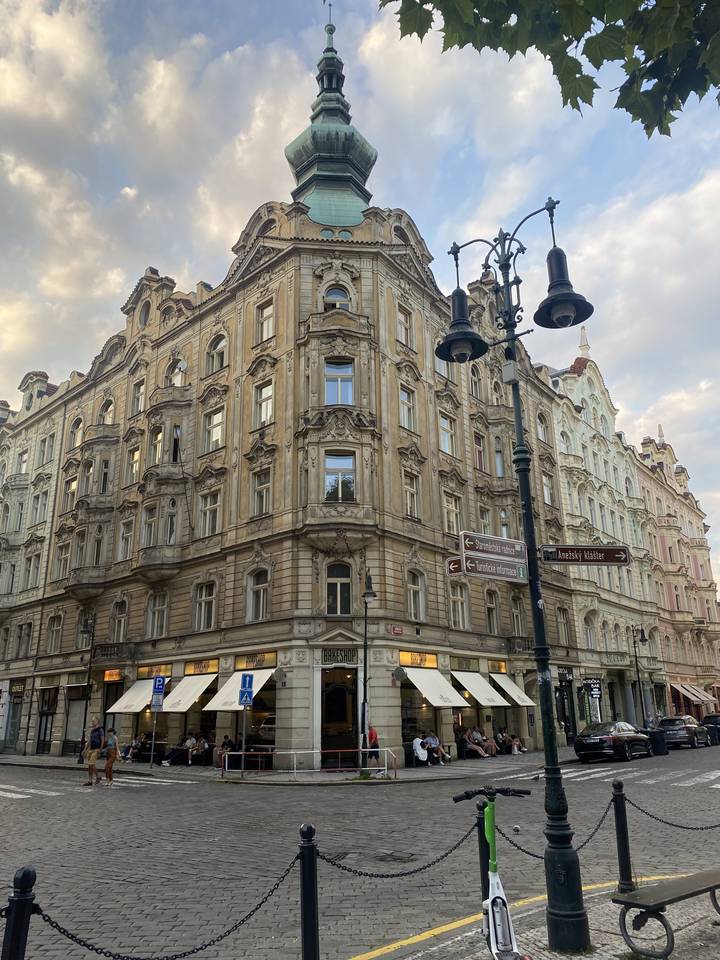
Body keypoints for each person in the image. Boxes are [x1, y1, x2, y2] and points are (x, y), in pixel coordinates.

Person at [84, 717, 105, 786]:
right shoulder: (92, 730)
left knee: (91, 764)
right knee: (89, 766)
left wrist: (100, 749)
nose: (92, 722)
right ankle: (90, 781)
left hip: (96, 749)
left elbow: (102, 740)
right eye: (92, 721)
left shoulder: (100, 730)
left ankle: (98, 776)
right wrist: (85, 749)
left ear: (97, 722)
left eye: (94, 721)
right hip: (90, 749)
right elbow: (89, 741)